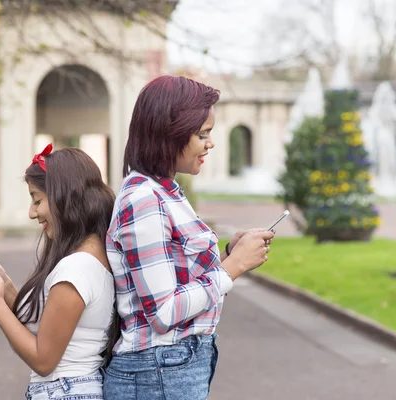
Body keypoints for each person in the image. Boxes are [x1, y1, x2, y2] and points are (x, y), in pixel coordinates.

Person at [103, 75, 276, 400]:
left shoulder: (161, 191)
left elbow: (175, 280)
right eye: (201, 134)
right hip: (157, 371)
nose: (209, 143)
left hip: (169, 367)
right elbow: (164, 312)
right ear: (170, 134)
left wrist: (227, 255)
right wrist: (232, 268)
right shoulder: (144, 200)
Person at [0, 144, 117, 400]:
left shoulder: (76, 269)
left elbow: (44, 360)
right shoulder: (94, 256)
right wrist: (6, 289)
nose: (31, 212)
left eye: (37, 200)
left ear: (64, 198)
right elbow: (50, 326)